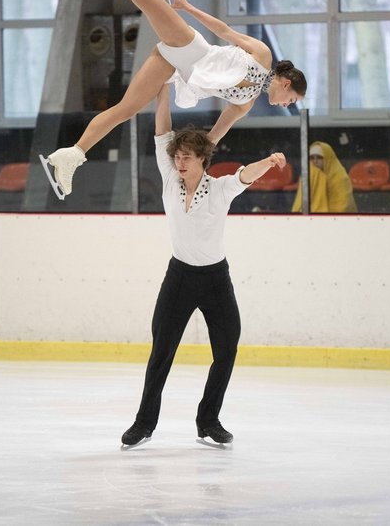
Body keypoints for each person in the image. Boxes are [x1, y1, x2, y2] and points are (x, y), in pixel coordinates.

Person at [41, 0, 306, 199]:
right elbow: (224, 30)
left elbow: (212, 138)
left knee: (127, 108)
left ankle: (73, 154)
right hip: (192, 48)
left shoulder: (245, 104)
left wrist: (198, 160)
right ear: (286, 83)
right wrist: (186, 7)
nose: (286, 105)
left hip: (177, 69)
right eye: (291, 99)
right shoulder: (262, 55)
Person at [120, 85, 287, 451]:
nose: (180, 162)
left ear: (202, 160)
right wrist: (160, 91)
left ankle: (208, 420)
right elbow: (161, 130)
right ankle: (144, 423)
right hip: (179, 277)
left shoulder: (221, 188)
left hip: (215, 280)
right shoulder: (169, 178)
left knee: (226, 350)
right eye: (177, 156)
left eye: (187, 157)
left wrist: (270, 160)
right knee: (161, 352)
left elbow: (245, 175)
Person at [291, 141, 357, 213]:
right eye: (312, 158)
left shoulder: (340, 177)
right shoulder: (309, 175)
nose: (315, 161)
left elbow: (344, 206)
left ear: (328, 158)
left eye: (319, 158)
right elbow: (300, 203)